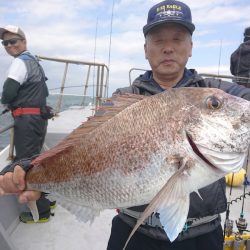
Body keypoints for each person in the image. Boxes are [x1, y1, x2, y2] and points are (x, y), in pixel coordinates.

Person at [0, 1, 249, 249]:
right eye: (158, 40)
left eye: (178, 38)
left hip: (204, 234)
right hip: (133, 229)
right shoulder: (124, 97)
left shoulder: (215, 90)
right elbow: (79, 149)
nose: (168, 48)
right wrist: (28, 170)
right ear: (145, 48)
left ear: (191, 46)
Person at [0, 25, 55, 223]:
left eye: (13, 41)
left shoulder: (19, 63)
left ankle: (41, 212)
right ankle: (46, 198)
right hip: (38, 121)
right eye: (4, 43)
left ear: (23, 42)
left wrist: (6, 102)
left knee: (26, 164)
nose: (8, 45)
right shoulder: (34, 62)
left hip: (27, 122)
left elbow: (8, 91)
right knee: (37, 160)